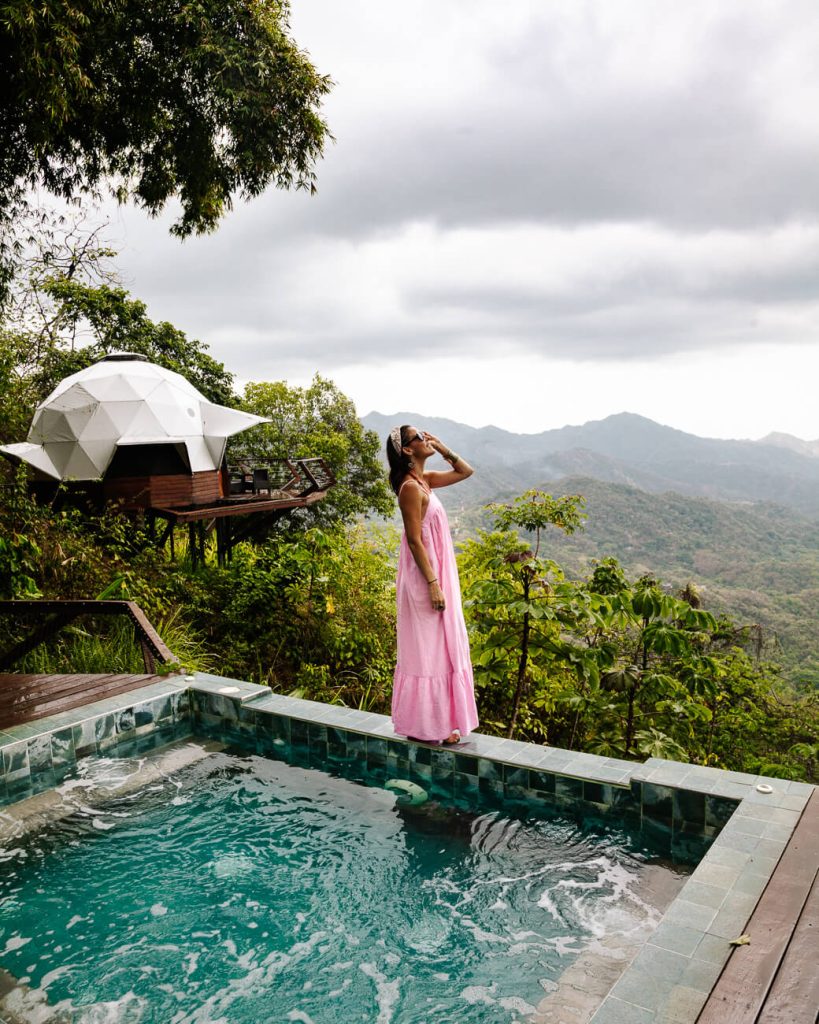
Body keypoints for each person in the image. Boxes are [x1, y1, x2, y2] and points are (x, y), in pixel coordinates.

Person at [386, 425, 479, 744]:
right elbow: (414, 540)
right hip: (425, 577)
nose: (425, 440)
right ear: (407, 450)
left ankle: (439, 724)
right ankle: (425, 726)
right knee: (426, 651)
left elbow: (466, 471)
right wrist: (433, 584)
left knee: (441, 646)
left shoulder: (425, 481)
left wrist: (443, 448)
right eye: (419, 438)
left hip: (437, 573)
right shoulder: (410, 489)